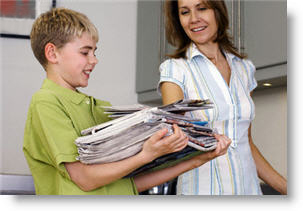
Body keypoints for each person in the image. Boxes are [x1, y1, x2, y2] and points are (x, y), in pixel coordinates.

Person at [23, 7, 231, 195]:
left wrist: (199, 159)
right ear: (52, 53)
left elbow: (131, 184)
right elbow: (84, 180)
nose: (94, 60)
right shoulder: (46, 103)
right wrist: (146, 155)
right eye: (85, 52)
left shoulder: (101, 109)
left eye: (95, 52)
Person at [158, 0, 287, 195]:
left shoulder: (244, 69)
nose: (194, 19)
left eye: (202, 8)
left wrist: (287, 188)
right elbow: (175, 141)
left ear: (218, 11)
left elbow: (245, 143)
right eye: (185, 12)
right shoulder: (175, 69)